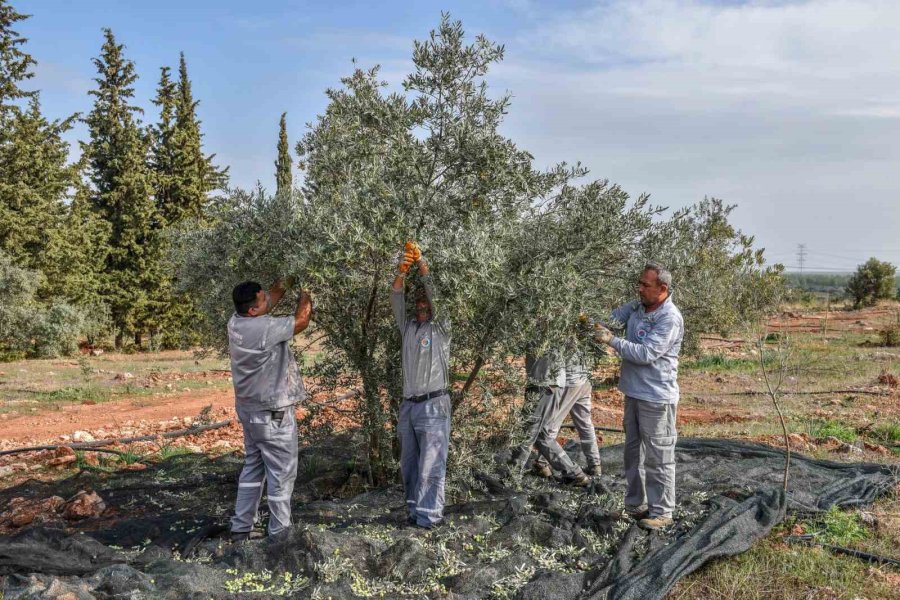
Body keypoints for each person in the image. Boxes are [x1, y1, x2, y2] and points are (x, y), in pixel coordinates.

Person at [593, 263, 684, 530]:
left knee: (658, 456)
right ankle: (636, 505)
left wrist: (611, 340)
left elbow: (646, 354)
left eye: (646, 285)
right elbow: (611, 319)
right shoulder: (637, 306)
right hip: (633, 392)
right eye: (640, 283)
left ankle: (662, 512)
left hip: (657, 397)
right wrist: (588, 320)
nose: (640, 289)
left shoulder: (670, 318)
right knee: (633, 454)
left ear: (662, 289)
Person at [227, 277, 312, 540]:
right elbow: (301, 321)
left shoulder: (236, 321)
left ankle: (241, 527)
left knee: (253, 466)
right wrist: (307, 288)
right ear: (253, 310)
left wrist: (287, 279)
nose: (269, 301)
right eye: (263, 300)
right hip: (272, 413)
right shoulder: (263, 329)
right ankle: (279, 534)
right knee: (282, 473)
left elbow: (271, 299)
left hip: (249, 411)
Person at [391, 242, 451, 529]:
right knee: (410, 464)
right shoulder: (408, 328)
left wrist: (422, 264)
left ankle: (430, 518)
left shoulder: (441, 329)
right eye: (419, 304)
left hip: (433, 404)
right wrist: (402, 271)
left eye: (426, 304)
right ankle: (414, 513)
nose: (423, 307)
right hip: (409, 406)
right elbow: (396, 298)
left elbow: (437, 297)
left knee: (432, 466)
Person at [516, 350, 591, 486]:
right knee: (541, 435)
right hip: (545, 381)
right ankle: (575, 474)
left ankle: (513, 473)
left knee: (528, 432)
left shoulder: (544, 330)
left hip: (545, 382)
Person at [532, 349, 602, 478]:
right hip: (583, 379)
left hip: (568, 383)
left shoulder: (561, 334)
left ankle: (542, 464)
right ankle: (595, 465)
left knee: (551, 424)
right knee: (585, 423)